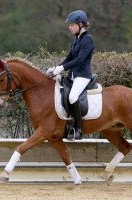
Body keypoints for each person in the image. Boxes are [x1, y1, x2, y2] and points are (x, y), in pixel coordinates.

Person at [46, 10, 95, 140]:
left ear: (80, 24)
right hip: (73, 75)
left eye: (72, 24)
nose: (69, 27)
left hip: (83, 76)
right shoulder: (76, 40)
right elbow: (69, 57)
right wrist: (57, 68)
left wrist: (62, 68)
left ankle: (78, 129)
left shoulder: (88, 40)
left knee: (73, 97)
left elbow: (79, 60)